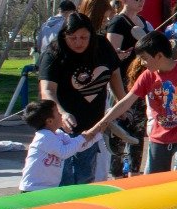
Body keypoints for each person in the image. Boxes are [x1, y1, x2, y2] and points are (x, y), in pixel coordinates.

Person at [87, 32, 177, 173]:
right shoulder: (147, 76)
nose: (142, 63)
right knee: (154, 178)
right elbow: (126, 102)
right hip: (159, 138)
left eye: (144, 58)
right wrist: (100, 124)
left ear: (159, 56)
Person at [37, 11, 124, 186]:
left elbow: (114, 74)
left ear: (91, 35)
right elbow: (47, 90)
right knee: (64, 177)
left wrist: (122, 103)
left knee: (85, 175)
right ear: (64, 36)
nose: (78, 42)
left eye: (84, 37)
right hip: (62, 128)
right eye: (73, 38)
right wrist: (62, 113)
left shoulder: (102, 46)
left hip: (92, 126)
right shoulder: (54, 53)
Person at [106, 0, 152, 178]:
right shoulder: (118, 22)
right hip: (122, 83)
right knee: (120, 127)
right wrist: (119, 55)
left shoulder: (144, 22)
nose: (142, 1)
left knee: (138, 129)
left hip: (141, 81)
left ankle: (134, 172)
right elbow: (110, 57)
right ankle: (116, 173)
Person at [20, 99, 98, 192]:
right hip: (33, 188)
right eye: (58, 112)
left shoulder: (58, 133)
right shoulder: (43, 136)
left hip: (48, 188)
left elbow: (76, 146)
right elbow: (64, 152)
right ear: (50, 121)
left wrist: (96, 136)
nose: (61, 115)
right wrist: (82, 138)